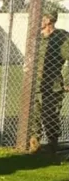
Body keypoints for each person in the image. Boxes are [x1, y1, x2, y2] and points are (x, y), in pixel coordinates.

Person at [37, 11, 68, 146]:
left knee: (50, 116)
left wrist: (67, 80)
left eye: (41, 17)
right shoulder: (36, 38)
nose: (38, 20)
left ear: (49, 20)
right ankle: (33, 146)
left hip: (53, 85)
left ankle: (52, 146)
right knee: (33, 118)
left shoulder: (61, 38)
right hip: (35, 85)